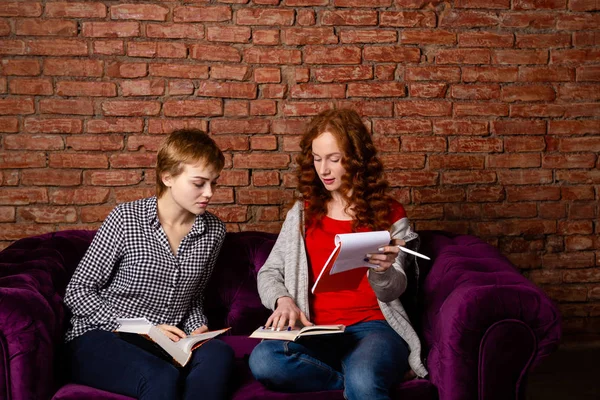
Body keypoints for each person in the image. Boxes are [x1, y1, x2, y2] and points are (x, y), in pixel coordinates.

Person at [248, 109, 428, 400]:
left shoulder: (390, 214)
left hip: (375, 329)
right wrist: (282, 300)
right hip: (316, 331)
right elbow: (269, 272)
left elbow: (397, 288)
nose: (324, 170)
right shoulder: (302, 213)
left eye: (334, 159)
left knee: (366, 379)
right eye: (317, 159)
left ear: (356, 160)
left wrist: (382, 271)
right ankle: (351, 377)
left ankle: (363, 374)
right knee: (264, 360)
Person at [64, 129, 234, 400]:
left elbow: (194, 298)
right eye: (199, 183)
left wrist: (198, 328)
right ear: (167, 177)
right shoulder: (126, 218)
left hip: (167, 343)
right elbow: (78, 291)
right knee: (161, 376)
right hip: (102, 336)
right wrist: (143, 328)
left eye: (214, 183)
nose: (209, 193)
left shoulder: (213, 230)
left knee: (219, 354)